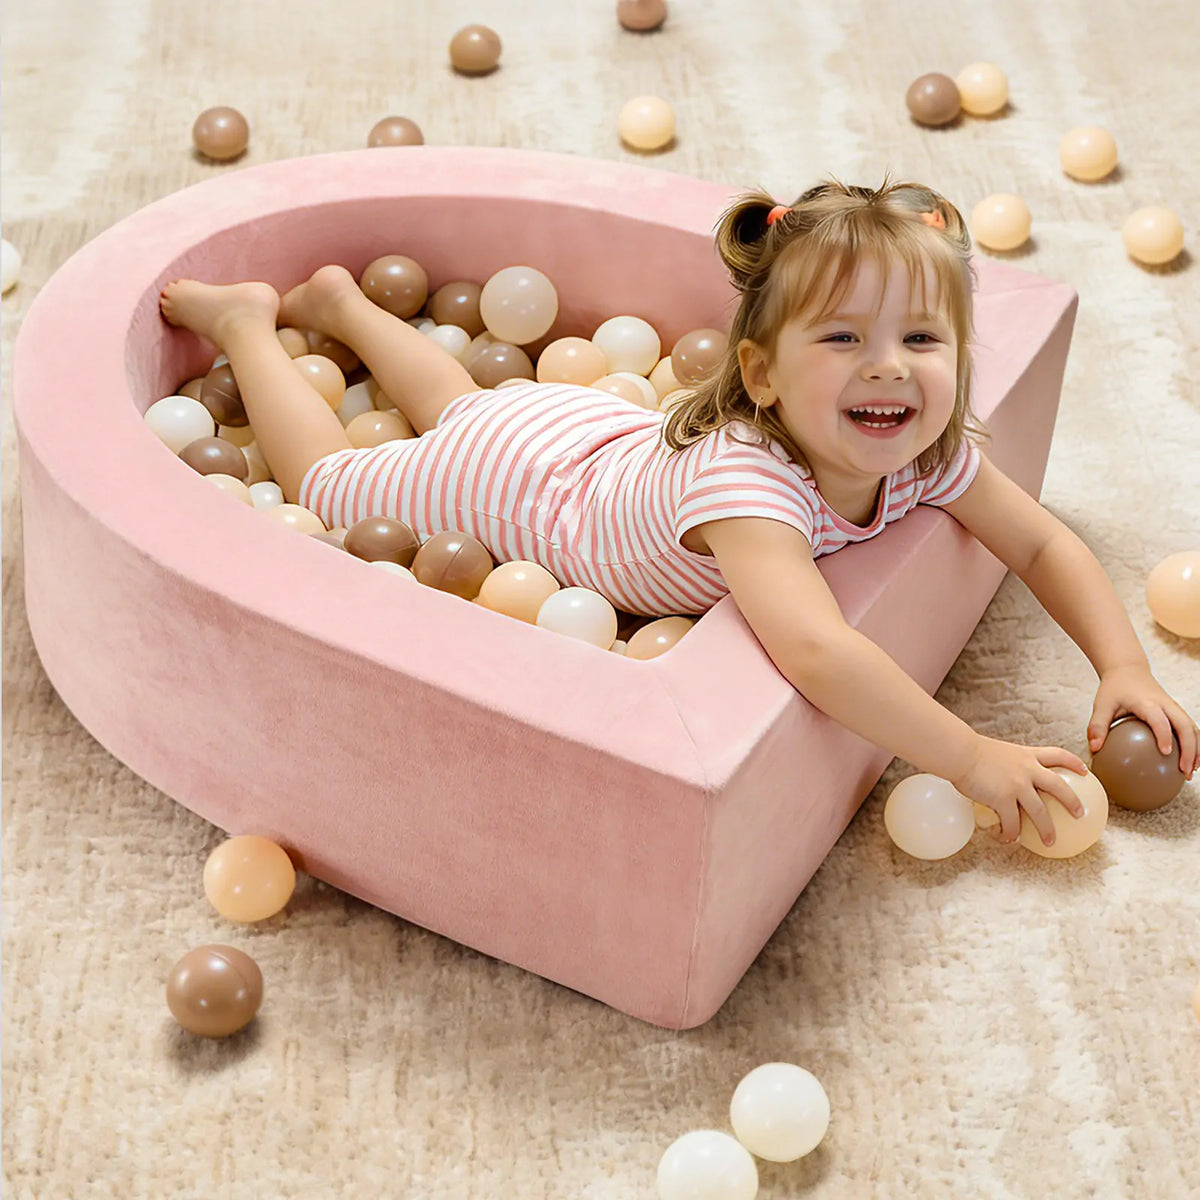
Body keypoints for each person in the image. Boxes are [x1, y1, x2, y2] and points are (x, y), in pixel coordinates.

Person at [159, 175, 1198, 849]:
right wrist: (974, 757)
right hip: (525, 495)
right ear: (763, 374)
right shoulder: (749, 486)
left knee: (470, 403)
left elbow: (1041, 539)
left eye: (922, 342)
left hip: (577, 428)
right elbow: (822, 655)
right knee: (332, 486)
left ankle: (344, 309)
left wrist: (1122, 664)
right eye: (843, 341)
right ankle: (253, 327)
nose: (890, 369)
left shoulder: (917, 445)